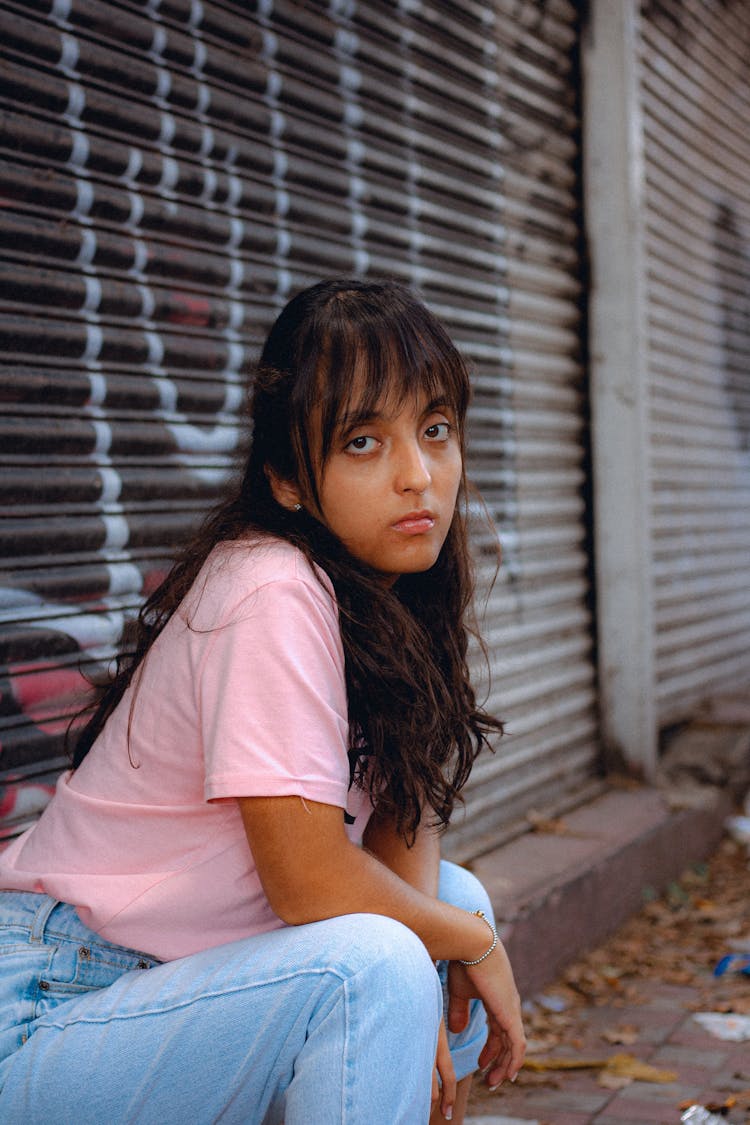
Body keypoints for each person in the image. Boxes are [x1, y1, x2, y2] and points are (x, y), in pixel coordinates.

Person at [0, 278, 525, 1123]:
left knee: (445, 909)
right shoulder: (272, 588)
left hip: (165, 985)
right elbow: (310, 880)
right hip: (46, 1006)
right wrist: (463, 948)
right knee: (383, 959)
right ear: (286, 475)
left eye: (434, 430)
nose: (417, 475)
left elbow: (404, 823)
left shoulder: (391, 595)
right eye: (363, 442)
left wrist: (443, 951)